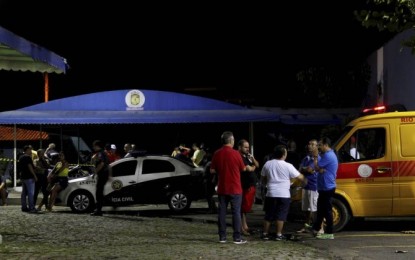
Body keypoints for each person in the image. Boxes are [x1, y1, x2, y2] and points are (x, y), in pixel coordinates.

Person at [210, 131, 253, 244]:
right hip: (235, 187)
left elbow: (212, 170)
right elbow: (243, 169)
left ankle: (222, 237)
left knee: (222, 213)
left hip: (222, 187)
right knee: (236, 213)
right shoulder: (236, 154)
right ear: (231, 140)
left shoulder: (217, 153)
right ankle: (237, 237)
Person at [260, 144, 307, 241]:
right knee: (281, 215)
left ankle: (265, 233)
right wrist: (305, 181)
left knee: (268, 214)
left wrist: (266, 186)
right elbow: (300, 177)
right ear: (284, 154)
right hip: (284, 194)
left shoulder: (268, 164)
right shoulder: (288, 166)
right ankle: (278, 234)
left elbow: (263, 179)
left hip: (271, 193)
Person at [311, 137, 338, 240]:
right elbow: (319, 169)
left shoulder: (328, 155)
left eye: (320, 145)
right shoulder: (326, 155)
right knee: (321, 209)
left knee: (326, 210)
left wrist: (315, 158)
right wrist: (320, 168)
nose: (318, 147)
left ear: (326, 145)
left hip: (327, 187)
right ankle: (316, 228)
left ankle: (329, 232)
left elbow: (316, 167)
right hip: (324, 186)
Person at [296, 139, 324, 234]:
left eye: (313, 144)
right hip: (305, 186)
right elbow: (300, 169)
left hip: (314, 186)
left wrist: (305, 169)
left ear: (317, 147)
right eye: (309, 144)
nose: (310, 146)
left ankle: (320, 228)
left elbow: (309, 169)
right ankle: (307, 226)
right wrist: (305, 169)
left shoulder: (318, 159)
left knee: (315, 209)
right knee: (306, 210)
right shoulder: (306, 158)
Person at [237, 139, 259, 236]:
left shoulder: (247, 156)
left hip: (250, 185)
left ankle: (245, 226)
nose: (247, 149)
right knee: (242, 207)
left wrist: (253, 159)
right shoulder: (239, 157)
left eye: (248, 147)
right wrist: (253, 166)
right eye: (245, 147)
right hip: (244, 185)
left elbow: (257, 165)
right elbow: (249, 169)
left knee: (246, 208)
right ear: (240, 147)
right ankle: (242, 228)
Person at [90, 140, 111, 216]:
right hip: (103, 174)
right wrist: (92, 159)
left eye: (94, 146)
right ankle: (99, 209)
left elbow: (101, 164)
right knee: (100, 192)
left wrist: (95, 172)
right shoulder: (102, 153)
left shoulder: (100, 153)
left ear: (97, 146)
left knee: (98, 192)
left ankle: (98, 210)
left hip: (102, 174)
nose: (93, 147)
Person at [19, 145, 38, 213]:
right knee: (30, 193)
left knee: (24, 193)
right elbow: (30, 166)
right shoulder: (28, 157)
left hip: (23, 177)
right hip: (29, 177)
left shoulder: (21, 157)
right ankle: (31, 207)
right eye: (30, 150)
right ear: (27, 150)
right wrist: (34, 175)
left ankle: (24, 206)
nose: (31, 151)